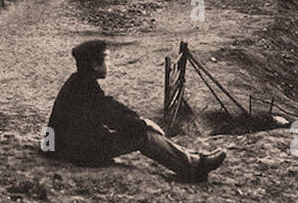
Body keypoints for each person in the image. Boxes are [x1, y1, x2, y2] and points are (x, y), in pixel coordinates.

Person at [44, 40, 227, 182]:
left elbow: (111, 106)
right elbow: (115, 119)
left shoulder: (80, 82)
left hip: (68, 146)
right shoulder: (85, 89)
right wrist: (143, 124)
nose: (109, 64)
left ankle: (194, 159)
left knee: (140, 128)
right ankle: (193, 167)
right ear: (94, 65)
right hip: (78, 153)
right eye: (106, 59)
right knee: (143, 136)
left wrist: (140, 119)